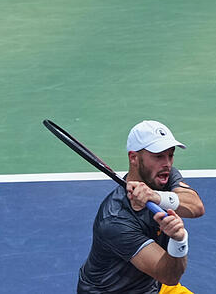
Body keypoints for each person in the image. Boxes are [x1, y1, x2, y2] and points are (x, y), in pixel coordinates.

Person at [77, 120, 206, 294]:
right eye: (158, 156)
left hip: (153, 286)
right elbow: (168, 275)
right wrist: (179, 241)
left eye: (170, 155)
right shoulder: (115, 220)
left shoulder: (164, 177)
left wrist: (156, 197)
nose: (167, 163)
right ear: (134, 158)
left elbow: (196, 207)